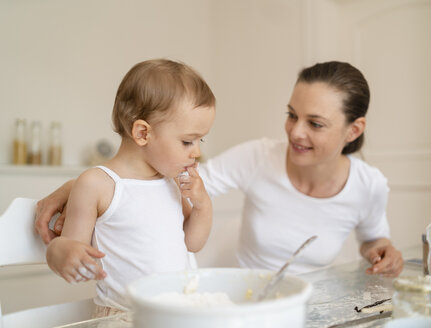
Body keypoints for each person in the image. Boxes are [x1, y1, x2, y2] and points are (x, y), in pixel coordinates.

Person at [36, 61, 403, 277]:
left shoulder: (369, 185)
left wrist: (382, 251)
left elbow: (374, 239)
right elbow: (162, 180)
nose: (296, 132)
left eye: (316, 123)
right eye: (291, 115)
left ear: (353, 130)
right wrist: (83, 188)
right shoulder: (259, 157)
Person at [44, 58, 216, 317]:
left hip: (178, 313)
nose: (198, 152)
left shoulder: (169, 183)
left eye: (199, 140)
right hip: (124, 316)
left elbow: (192, 242)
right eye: (188, 141)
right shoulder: (97, 184)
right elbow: (67, 244)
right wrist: (60, 252)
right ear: (143, 134)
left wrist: (202, 205)